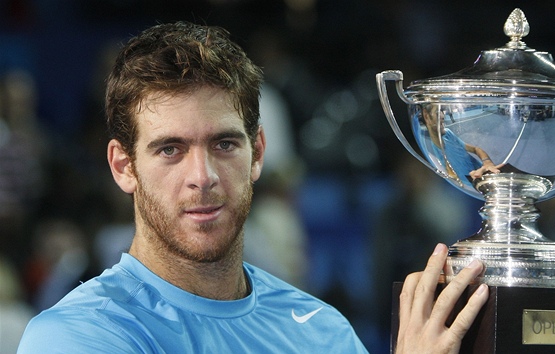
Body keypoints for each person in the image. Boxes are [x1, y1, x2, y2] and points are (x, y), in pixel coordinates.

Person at [17, 21, 488, 353]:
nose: (202, 176)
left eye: (224, 144)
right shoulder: (77, 336)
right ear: (123, 167)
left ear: (258, 153)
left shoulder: (323, 331)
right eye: (169, 150)